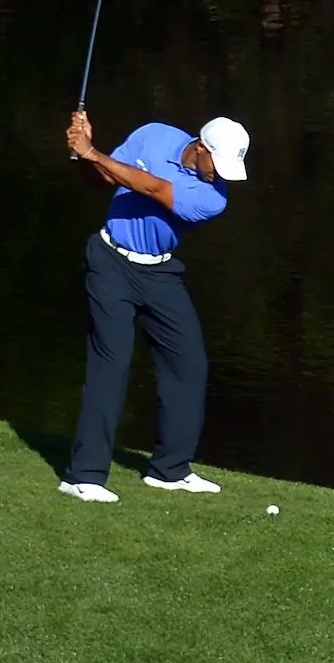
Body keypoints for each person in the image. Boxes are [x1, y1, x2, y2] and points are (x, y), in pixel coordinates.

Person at [58, 109, 250, 501]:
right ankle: (83, 476)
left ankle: (170, 470)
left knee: (189, 362)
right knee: (112, 361)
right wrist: (82, 155)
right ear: (200, 148)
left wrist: (93, 152)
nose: (223, 175)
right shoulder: (154, 135)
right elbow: (103, 180)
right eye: (219, 164)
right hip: (110, 261)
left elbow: (154, 189)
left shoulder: (214, 197)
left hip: (159, 274)